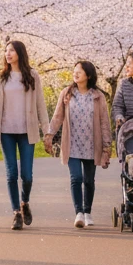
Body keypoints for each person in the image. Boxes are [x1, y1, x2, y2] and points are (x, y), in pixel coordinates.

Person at [0, 40, 49, 230]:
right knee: (11, 174)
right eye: (6, 51)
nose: (8, 54)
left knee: (27, 175)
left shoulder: (32, 76)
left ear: (20, 53)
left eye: (12, 50)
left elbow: (40, 103)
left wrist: (46, 130)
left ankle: (25, 202)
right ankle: (16, 212)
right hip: (6, 131)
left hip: (27, 131)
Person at [46, 61, 111, 228]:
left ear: (88, 75)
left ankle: (88, 212)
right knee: (76, 178)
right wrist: (49, 135)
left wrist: (106, 146)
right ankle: (79, 213)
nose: (75, 74)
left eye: (79, 72)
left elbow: (104, 122)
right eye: (74, 71)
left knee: (89, 180)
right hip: (72, 144)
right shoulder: (67, 93)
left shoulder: (98, 96)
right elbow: (57, 117)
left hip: (91, 144)